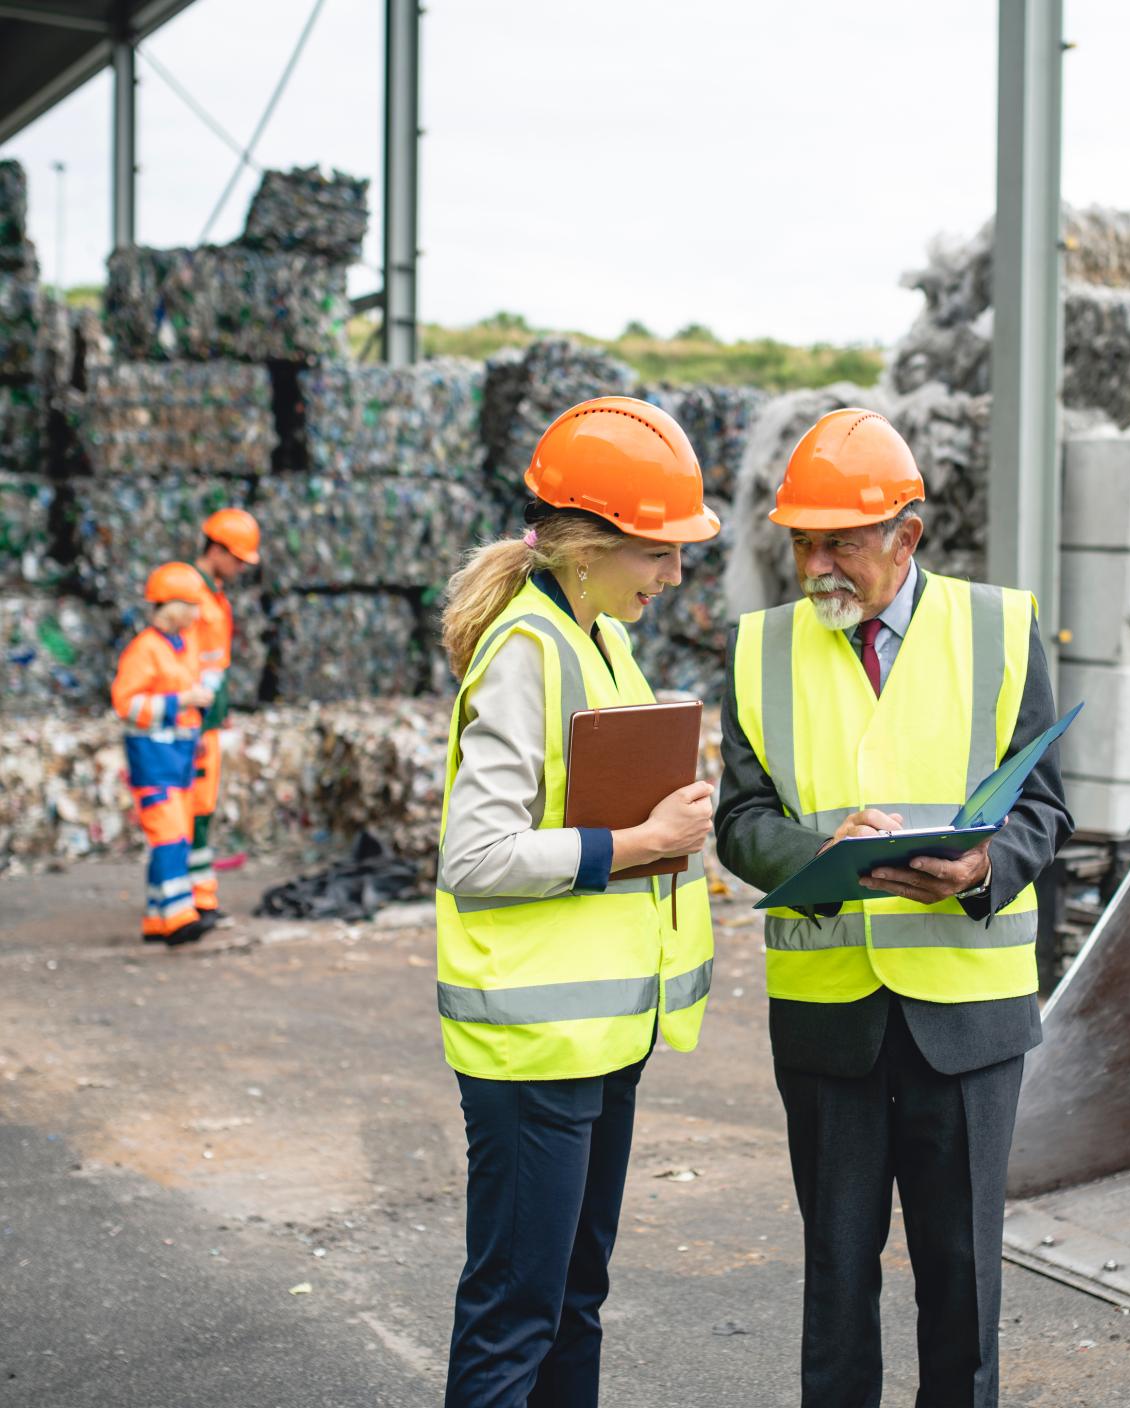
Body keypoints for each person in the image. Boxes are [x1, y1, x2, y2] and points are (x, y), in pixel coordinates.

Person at [714, 408, 1073, 1408]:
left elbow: (1045, 805)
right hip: (829, 1016)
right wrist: (813, 852)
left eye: (840, 541)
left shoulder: (1000, 630)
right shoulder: (757, 648)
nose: (815, 563)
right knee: (835, 1280)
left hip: (968, 1019)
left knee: (960, 1279)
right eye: (801, 542)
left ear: (906, 536)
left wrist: (983, 870)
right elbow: (740, 818)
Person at [436, 396, 719, 1408]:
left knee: (573, 1299)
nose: (676, 574)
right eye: (660, 552)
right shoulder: (528, 650)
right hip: (535, 1047)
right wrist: (640, 843)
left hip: (599, 1032)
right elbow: (475, 853)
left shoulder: (596, 636)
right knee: (518, 1310)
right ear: (592, 545)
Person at [110, 562, 216, 947]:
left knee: (178, 836)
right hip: (153, 759)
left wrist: (195, 714)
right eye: (189, 605)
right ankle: (177, 918)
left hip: (181, 756)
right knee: (169, 835)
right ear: (170, 605)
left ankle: (158, 917)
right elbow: (126, 705)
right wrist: (180, 701)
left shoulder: (184, 647)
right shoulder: (145, 650)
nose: (195, 614)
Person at [184, 507, 261, 922]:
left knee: (205, 805)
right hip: (192, 718)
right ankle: (193, 900)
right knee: (193, 809)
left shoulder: (211, 592)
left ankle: (198, 894)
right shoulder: (189, 593)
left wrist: (223, 709)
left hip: (209, 717)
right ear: (216, 549)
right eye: (236, 559)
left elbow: (218, 663)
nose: (239, 568)